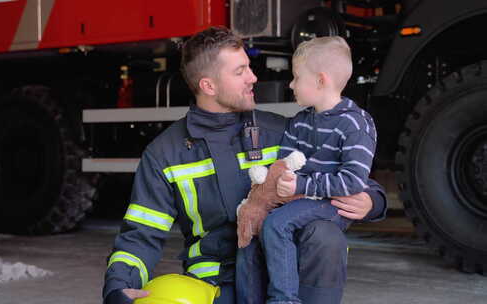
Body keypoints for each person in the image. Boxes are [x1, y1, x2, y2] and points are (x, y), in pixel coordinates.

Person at [102, 26, 387, 304]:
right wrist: (118, 287)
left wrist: (371, 201)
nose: (253, 77)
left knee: (325, 235)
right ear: (208, 85)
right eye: (240, 72)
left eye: (249, 67)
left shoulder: (280, 131)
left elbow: (345, 170)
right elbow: (141, 234)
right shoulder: (166, 153)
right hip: (216, 282)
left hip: (283, 276)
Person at [235, 36, 377, 304]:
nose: (290, 84)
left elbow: (353, 182)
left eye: (297, 77)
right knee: (255, 222)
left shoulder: (355, 124)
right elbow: (284, 164)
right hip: (299, 198)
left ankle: (284, 299)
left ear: (321, 80)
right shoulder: (301, 122)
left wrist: (302, 186)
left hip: (330, 202)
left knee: (277, 224)